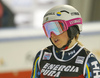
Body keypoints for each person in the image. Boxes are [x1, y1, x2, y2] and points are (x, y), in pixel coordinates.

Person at [31, 5, 100, 78]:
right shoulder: (41, 56)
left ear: (72, 30)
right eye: (48, 30)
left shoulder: (89, 60)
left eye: (57, 29)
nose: (52, 35)